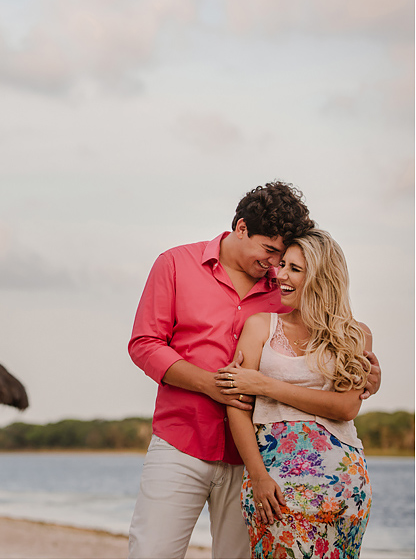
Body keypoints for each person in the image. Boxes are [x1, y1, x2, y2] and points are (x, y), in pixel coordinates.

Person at [126, 182, 380, 559]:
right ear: (241, 228)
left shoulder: (285, 287)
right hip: (183, 440)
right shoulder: (176, 264)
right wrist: (209, 385)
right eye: (270, 251)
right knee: (151, 552)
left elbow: (327, 333)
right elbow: (144, 344)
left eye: (284, 259)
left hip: (256, 457)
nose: (276, 266)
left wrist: (368, 375)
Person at [218, 229, 372, 558]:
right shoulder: (260, 326)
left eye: (294, 269)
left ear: (320, 278)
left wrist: (264, 385)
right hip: (273, 481)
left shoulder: (354, 334)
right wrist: (257, 476)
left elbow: (346, 407)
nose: (280, 274)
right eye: (282, 264)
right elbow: (237, 408)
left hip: (341, 484)